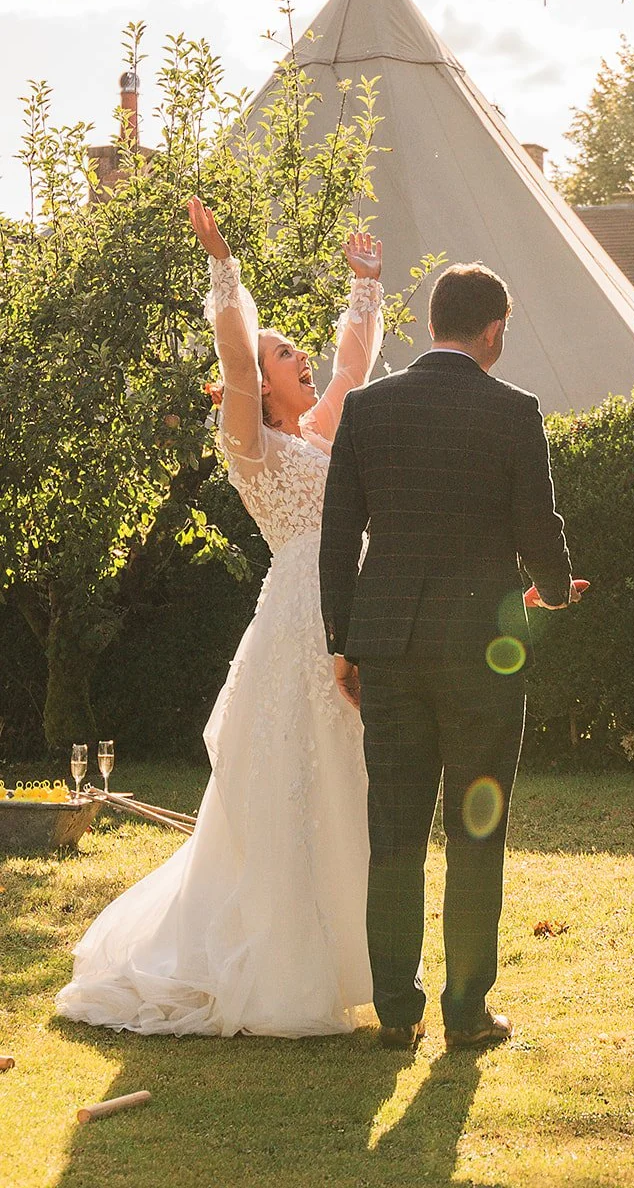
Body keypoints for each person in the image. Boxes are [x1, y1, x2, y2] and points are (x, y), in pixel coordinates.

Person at [55, 199, 383, 1037]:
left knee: (344, 774)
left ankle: (349, 955)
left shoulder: (317, 434)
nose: (297, 358)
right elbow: (237, 358)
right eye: (283, 353)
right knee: (287, 779)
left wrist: (366, 287)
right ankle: (274, 962)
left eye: (291, 350)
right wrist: (224, 270)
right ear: (260, 379)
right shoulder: (251, 442)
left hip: (346, 609)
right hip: (297, 619)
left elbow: (352, 366)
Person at [319, 262, 578, 1051]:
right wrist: (558, 591)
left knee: (393, 832)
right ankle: (466, 1012)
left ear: (433, 321)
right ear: (492, 329)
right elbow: (539, 525)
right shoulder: (513, 411)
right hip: (480, 657)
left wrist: (343, 642)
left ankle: (398, 1010)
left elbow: (336, 538)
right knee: (476, 830)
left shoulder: (366, 409)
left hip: (389, 651)